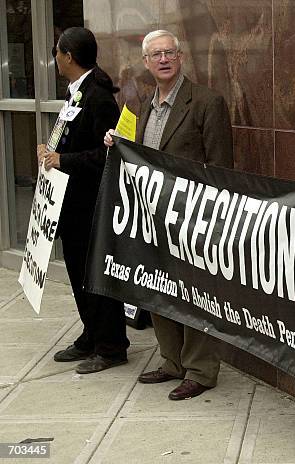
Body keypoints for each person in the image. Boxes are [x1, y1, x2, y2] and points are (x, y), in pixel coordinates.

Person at [104, 30, 233, 401]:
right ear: (146, 62)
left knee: (195, 293)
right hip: (151, 215)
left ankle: (200, 370)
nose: (163, 59)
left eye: (170, 53)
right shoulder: (145, 105)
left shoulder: (208, 101)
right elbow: (143, 156)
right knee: (159, 289)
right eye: (156, 54)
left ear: (181, 58)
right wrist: (118, 143)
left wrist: (212, 218)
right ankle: (172, 361)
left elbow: (222, 167)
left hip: (193, 216)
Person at [37, 27, 130, 374]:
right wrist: (52, 151)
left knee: (95, 276)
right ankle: (91, 335)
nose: (55, 59)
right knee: (78, 272)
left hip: (91, 204)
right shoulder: (76, 92)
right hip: (70, 204)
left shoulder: (98, 96)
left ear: (68, 56)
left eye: (57, 53)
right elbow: (73, 138)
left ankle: (111, 345)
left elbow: (108, 153)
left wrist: (65, 160)